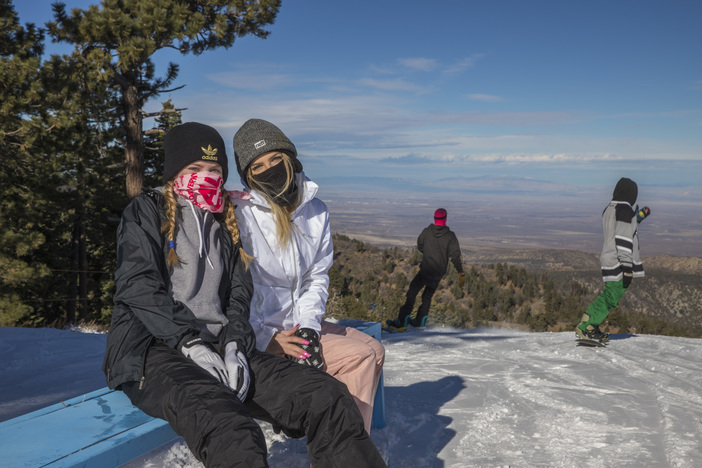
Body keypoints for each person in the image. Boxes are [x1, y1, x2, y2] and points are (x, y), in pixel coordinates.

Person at [102, 122, 386, 468]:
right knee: (233, 429)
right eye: (195, 168)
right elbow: (139, 286)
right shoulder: (146, 212)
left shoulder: (222, 220)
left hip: (222, 346)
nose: (205, 176)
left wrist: (236, 342)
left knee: (326, 395)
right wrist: (188, 342)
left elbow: (239, 291)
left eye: (214, 170)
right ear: (174, 170)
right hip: (154, 352)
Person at [230, 118, 385, 435]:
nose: (270, 169)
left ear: (289, 157)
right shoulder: (239, 216)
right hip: (262, 336)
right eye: (258, 166)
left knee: (376, 351)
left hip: (296, 324)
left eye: (275, 158)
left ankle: (343, 443)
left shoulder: (316, 211)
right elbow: (230, 293)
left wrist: (310, 328)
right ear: (247, 176)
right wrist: (266, 339)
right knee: (360, 358)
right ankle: (343, 450)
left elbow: (315, 278)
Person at [576, 177, 650, 343]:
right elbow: (623, 238)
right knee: (610, 296)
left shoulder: (611, 208)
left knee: (609, 295)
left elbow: (619, 228)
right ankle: (585, 326)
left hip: (609, 256)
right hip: (618, 260)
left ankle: (590, 326)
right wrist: (627, 267)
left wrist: (636, 219)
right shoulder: (625, 211)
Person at [386, 208, 465, 330]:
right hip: (438, 273)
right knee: (427, 297)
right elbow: (455, 256)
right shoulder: (450, 236)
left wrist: (427, 252)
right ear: (445, 219)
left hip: (426, 270)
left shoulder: (427, 232)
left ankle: (402, 321)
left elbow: (420, 245)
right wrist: (460, 271)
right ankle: (420, 321)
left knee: (412, 292)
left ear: (435, 218)